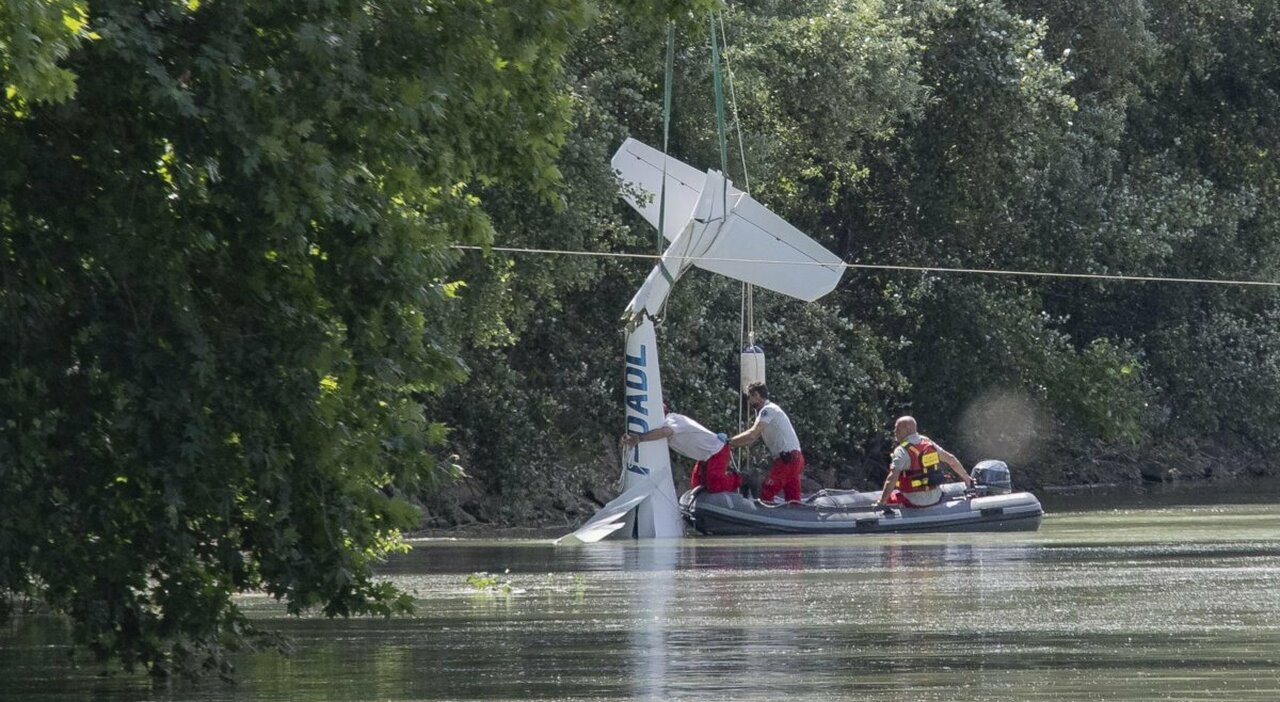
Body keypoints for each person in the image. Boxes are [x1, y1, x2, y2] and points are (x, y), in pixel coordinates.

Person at [621, 404, 740, 494]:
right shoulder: (662, 428)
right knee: (697, 484)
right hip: (705, 456)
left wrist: (640, 438)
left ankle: (743, 479)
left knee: (715, 485)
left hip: (717, 450)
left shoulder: (672, 419)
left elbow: (666, 432)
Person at [728, 382, 804, 504]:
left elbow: (752, 434)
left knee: (767, 491)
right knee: (793, 499)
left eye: (749, 397)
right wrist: (734, 444)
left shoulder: (767, 410)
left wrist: (729, 442)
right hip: (795, 458)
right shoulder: (771, 410)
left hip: (787, 459)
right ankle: (796, 519)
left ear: (757, 395)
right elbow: (751, 439)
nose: (748, 401)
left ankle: (763, 521)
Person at [874, 415, 973, 508]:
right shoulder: (928, 444)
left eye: (898, 428)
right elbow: (951, 459)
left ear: (907, 429)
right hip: (936, 497)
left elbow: (892, 478)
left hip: (914, 501)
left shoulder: (901, 451)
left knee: (890, 498)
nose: (895, 431)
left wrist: (882, 502)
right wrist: (967, 479)